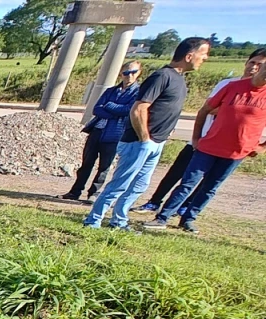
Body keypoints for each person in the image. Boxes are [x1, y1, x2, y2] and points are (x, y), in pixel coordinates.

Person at [83, 37, 210, 231]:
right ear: (189, 55)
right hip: (139, 142)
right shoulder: (162, 76)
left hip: (156, 143)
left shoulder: (180, 79)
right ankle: (93, 221)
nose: (205, 58)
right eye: (203, 54)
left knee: (139, 185)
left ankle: (118, 221)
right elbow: (138, 109)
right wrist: (144, 138)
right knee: (121, 183)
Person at [137, 49, 266, 213]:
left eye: (259, 65)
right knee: (179, 173)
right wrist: (231, 109)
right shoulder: (228, 84)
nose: (254, 68)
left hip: (229, 148)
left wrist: (260, 145)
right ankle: (154, 202)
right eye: (252, 62)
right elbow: (209, 109)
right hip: (203, 138)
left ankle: (184, 208)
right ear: (246, 63)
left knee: (208, 182)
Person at [60, 62, 142, 201]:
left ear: (139, 73)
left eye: (133, 72)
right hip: (97, 130)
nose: (130, 76)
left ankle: (94, 194)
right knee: (86, 164)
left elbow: (128, 110)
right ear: (121, 73)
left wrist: (109, 106)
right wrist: (114, 111)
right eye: (126, 73)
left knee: (104, 166)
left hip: (115, 133)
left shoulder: (138, 93)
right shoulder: (111, 90)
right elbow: (97, 109)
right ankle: (75, 192)